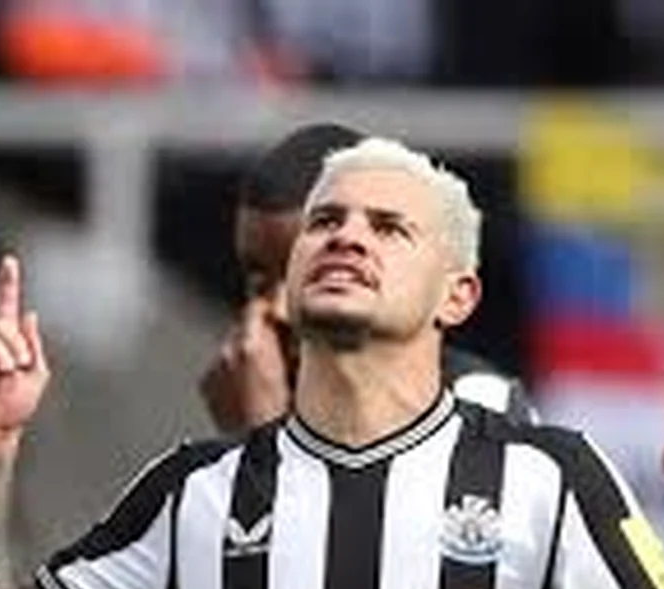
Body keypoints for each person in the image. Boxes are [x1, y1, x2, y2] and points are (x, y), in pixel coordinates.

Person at [0, 136, 664, 589]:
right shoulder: (194, 492)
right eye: (326, 222)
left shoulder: (547, 477)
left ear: (457, 296)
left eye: (389, 227)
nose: (347, 238)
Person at [199, 122, 536, 435]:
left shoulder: (478, 403)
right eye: (259, 282)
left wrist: (260, 429)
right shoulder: (244, 391)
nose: (279, 309)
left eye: (322, 273)